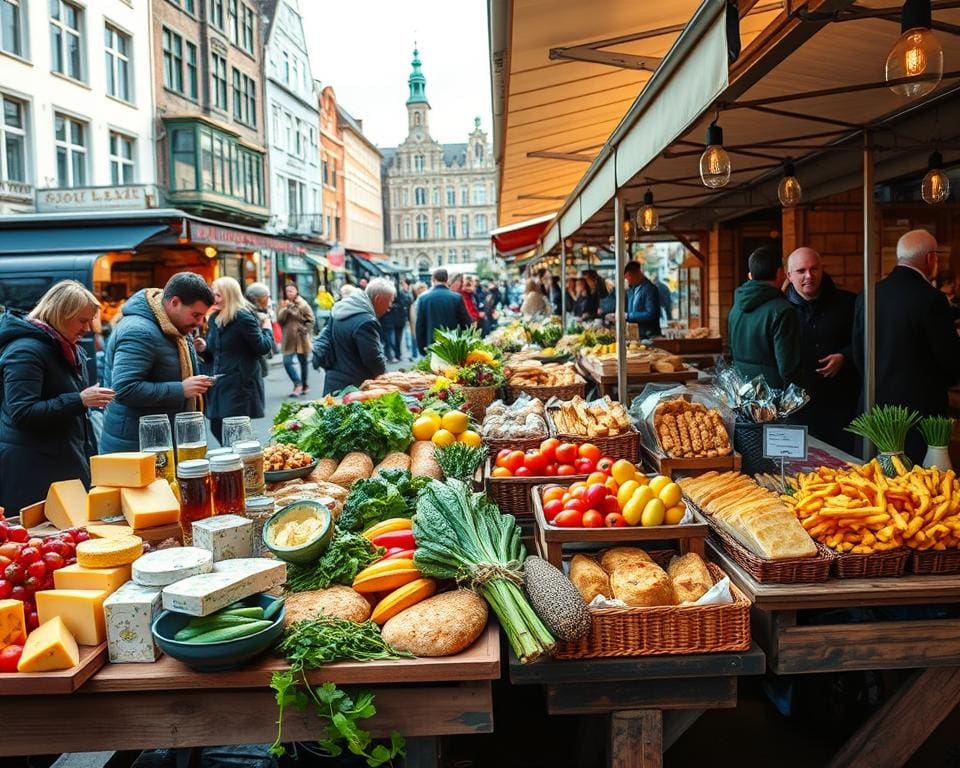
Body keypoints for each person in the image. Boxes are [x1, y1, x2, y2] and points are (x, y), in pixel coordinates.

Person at [0, 281, 114, 515]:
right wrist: (79, 400)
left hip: (58, 463)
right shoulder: (25, 351)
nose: (88, 328)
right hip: (32, 471)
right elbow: (22, 413)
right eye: (82, 321)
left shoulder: (64, 345)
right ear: (61, 314)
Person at [853, 229, 960, 462]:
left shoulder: (868, 294)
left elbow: (858, 351)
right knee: (917, 487)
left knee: (874, 483)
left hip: (874, 407)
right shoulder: (932, 299)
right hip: (918, 413)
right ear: (931, 258)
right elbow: (950, 359)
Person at [100, 273, 214, 453]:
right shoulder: (138, 331)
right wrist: (181, 389)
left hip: (160, 442)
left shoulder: (174, 328)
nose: (199, 323)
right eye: (196, 315)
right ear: (174, 302)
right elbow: (125, 389)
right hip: (136, 447)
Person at [785, 247, 859, 453]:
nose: (809, 276)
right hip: (797, 408)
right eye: (801, 271)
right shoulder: (780, 309)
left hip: (842, 404)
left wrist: (845, 356)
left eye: (814, 269)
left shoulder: (849, 303)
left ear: (822, 269)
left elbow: (866, 342)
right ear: (789, 275)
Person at [203, 277, 275, 445]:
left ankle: (239, 466)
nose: (214, 299)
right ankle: (236, 463)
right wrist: (203, 349)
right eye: (213, 294)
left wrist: (267, 328)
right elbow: (215, 352)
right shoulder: (215, 318)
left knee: (234, 433)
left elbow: (263, 347)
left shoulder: (242, 317)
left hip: (240, 383)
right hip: (219, 383)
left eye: (218, 295)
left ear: (229, 295)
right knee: (216, 427)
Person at [728, 246, 801, 389]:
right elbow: (788, 367)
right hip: (773, 396)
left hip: (742, 391)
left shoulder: (736, 306)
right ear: (780, 273)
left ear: (751, 275)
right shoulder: (783, 310)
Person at [313, 277, 394, 394]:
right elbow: (373, 359)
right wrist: (388, 382)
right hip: (353, 388)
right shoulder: (366, 321)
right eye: (390, 301)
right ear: (378, 299)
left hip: (333, 381)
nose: (390, 306)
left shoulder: (342, 309)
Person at [415, 268, 472, 354]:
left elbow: (420, 325)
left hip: (433, 344)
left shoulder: (423, 299)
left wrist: (421, 347)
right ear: (447, 279)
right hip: (453, 343)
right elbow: (466, 322)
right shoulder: (456, 297)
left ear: (433, 280)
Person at [277, 283, 314, 397]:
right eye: (287, 291)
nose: (289, 293)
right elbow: (280, 320)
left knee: (303, 363)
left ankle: (304, 385)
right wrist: (286, 309)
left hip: (301, 338)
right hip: (288, 338)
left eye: (292, 290)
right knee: (287, 362)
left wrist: (305, 329)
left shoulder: (303, 304)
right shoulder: (284, 305)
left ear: (297, 291)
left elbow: (311, 320)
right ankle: (297, 383)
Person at [610, 262, 662, 338]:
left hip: (648, 335)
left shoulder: (650, 289)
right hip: (636, 334)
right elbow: (630, 310)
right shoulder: (631, 289)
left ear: (636, 273)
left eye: (627, 276)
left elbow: (651, 314)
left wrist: (628, 316)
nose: (626, 280)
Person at [244, 282, 277, 379]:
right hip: (252, 358)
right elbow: (262, 345)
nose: (269, 300)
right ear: (257, 298)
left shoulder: (261, 309)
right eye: (267, 297)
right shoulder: (249, 313)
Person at [380, 282, 411, 363]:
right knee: (390, 340)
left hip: (398, 321)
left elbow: (405, 303)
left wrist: (392, 307)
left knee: (396, 340)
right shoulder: (387, 295)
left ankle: (396, 355)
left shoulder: (400, 294)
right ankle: (391, 356)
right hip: (390, 322)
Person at [408, 282, 428, 360]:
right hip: (421, 330)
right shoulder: (416, 303)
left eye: (422, 288)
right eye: (419, 288)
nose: (421, 290)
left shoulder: (417, 302)